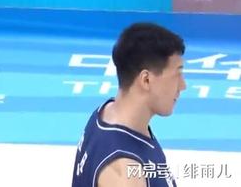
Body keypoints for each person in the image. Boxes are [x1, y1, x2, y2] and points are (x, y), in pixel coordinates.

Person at [71, 23, 186, 187]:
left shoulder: (107, 111)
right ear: (146, 80)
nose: (183, 85)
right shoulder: (126, 175)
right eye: (177, 75)